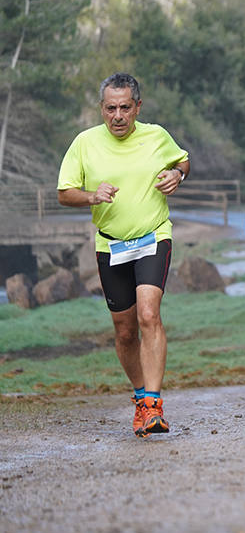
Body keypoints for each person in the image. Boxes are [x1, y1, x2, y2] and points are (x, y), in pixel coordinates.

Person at [57, 72, 189, 437]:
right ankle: (139, 396)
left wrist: (177, 174)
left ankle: (153, 405)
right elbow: (64, 192)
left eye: (125, 108)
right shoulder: (85, 143)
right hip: (110, 245)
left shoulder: (156, 135)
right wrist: (91, 196)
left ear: (137, 108)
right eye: (111, 108)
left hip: (152, 237)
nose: (117, 116)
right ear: (102, 108)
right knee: (125, 330)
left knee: (149, 314)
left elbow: (183, 162)